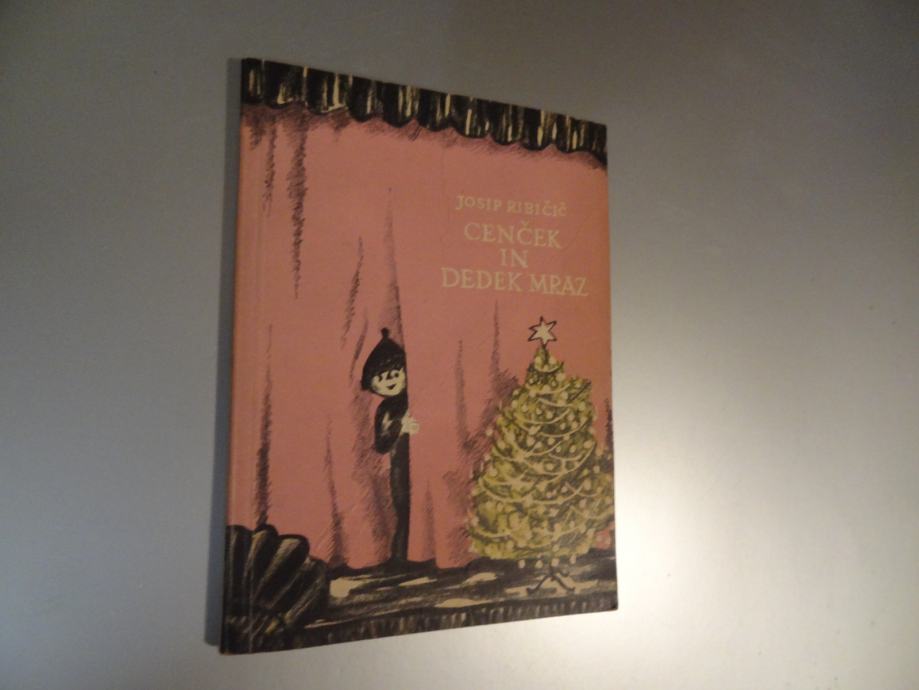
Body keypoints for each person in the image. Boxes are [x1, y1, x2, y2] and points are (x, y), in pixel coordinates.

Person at [361, 328, 419, 566]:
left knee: (415, 508)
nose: (391, 380)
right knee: (403, 509)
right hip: (399, 468)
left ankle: (411, 554)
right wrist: (399, 427)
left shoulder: (414, 398)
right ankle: (400, 556)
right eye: (383, 377)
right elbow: (382, 444)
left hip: (419, 466)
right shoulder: (384, 410)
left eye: (395, 373)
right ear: (372, 383)